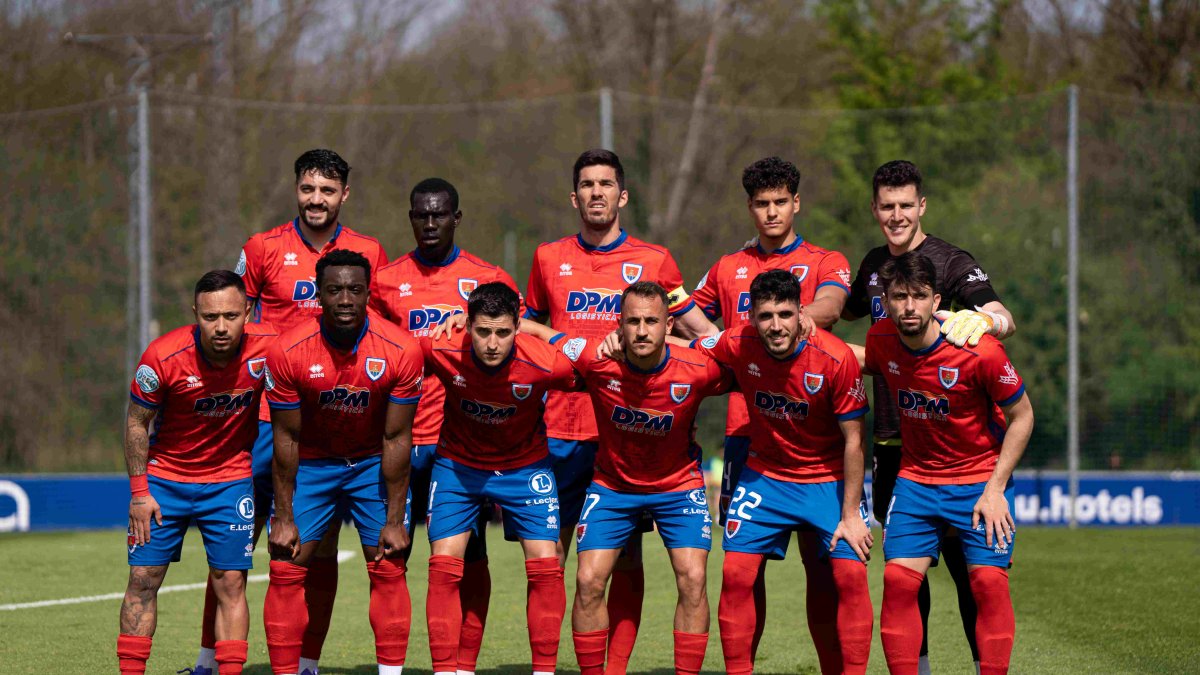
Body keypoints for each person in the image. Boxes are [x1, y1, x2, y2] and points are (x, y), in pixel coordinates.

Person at [197, 149, 389, 675]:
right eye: (308, 189)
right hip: (264, 417)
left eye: (327, 191)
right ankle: (208, 660)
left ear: (344, 195)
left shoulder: (369, 250)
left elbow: (388, 324)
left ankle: (306, 663)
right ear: (295, 189)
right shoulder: (261, 248)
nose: (316, 200)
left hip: (334, 423)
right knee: (234, 547)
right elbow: (231, 316)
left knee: (318, 550)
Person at [522, 148, 712, 672]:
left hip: (629, 438)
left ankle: (617, 666)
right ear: (574, 196)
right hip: (559, 427)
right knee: (554, 564)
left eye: (607, 184)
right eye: (587, 184)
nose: (597, 193)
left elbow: (699, 331)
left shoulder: (656, 260)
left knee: (626, 560)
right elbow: (526, 328)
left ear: (622, 195)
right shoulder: (546, 257)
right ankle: (547, 666)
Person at [843, 159, 1017, 674]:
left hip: (963, 445)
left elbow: (1002, 314)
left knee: (972, 576)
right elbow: (848, 314)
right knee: (905, 577)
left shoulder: (950, 261)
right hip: (898, 446)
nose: (896, 216)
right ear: (875, 209)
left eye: (905, 206)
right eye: (886, 206)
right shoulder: (874, 264)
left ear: (921, 207)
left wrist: (983, 319)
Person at [687, 156, 852, 672]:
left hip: (816, 437)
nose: (772, 212)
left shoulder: (826, 260)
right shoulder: (728, 267)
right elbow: (689, 313)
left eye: (781, 202)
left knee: (822, 568)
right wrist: (709, 339)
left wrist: (787, 323)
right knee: (743, 570)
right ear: (750, 207)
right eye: (762, 204)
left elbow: (827, 306)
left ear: (796, 203)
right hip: (748, 434)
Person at [370, 177, 523, 674]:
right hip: (396, 439)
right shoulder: (386, 280)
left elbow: (516, 352)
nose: (430, 223)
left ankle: (462, 667)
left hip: (459, 445)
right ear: (410, 217)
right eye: (420, 214)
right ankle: (391, 668)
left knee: (468, 561)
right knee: (389, 559)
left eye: (439, 214)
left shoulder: (488, 278)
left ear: (457, 218)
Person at [691, 269, 874, 675]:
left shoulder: (835, 358)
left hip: (826, 480)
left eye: (785, 314)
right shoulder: (737, 341)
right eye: (766, 315)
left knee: (849, 576)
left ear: (800, 315)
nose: (775, 326)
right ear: (752, 316)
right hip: (766, 477)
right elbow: (686, 349)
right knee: (736, 573)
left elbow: (854, 442)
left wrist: (850, 516)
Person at [863, 252, 1032, 675]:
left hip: (979, 481)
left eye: (919, 296)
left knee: (988, 585)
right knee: (898, 583)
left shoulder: (979, 351)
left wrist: (995, 490)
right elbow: (847, 358)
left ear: (935, 299)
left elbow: (1023, 416)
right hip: (916, 481)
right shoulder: (880, 342)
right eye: (898, 296)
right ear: (885, 300)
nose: (909, 307)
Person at [551, 281, 732, 675]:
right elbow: (545, 336)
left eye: (652, 321)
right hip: (613, 487)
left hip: (678, 487)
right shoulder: (597, 361)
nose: (643, 330)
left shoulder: (698, 369)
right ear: (619, 326)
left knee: (693, 579)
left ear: (669, 325)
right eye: (633, 321)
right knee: (588, 581)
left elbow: (750, 359)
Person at [261, 250, 422, 675]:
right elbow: (287, 438)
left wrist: (394, 518)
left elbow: (397, 437)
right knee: (285, 564)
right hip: (312, 463)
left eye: (354, 289)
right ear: (318, 295)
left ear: (369, 292)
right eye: (334, 290)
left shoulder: (401, 349)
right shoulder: (287, 350)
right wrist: (283, 515)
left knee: (389, 564)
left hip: (372, 464)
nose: (345, 299)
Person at [117, 270, 276, 675]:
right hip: (164, 485)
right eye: (209, 317)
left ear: (248, 311)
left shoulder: (270, 348)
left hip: (229, 483)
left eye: (230, 315)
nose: (221, 327)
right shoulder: (162, 357)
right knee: (143, 580)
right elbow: (137, 422)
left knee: (230, 584)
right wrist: (139, 492)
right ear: (195, 314)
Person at [419, 282, 579, 675]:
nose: (492, 343)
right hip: (459, 468)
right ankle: (446, 671)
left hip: (525, 469)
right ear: (467, 325)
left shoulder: (546, 361)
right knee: (443, 563)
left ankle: (543, 672)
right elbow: (391, 354)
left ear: (517, 329)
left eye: (504, 332)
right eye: (483, 331)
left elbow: (591, 361)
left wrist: (539, 330)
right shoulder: (440, 346)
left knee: (546, 563)